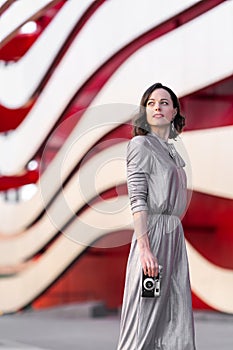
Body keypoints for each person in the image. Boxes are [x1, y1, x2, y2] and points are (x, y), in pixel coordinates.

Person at [117, 83, 196, 349]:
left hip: (174, 237)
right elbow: (137, 199)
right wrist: (145, 249)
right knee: (145, 317)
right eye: (151, 103)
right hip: (154, 236)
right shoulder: (141, 144)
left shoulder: (172, 151)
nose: (157, 107)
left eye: (164, 102)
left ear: (174, 111)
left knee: (176, 318)